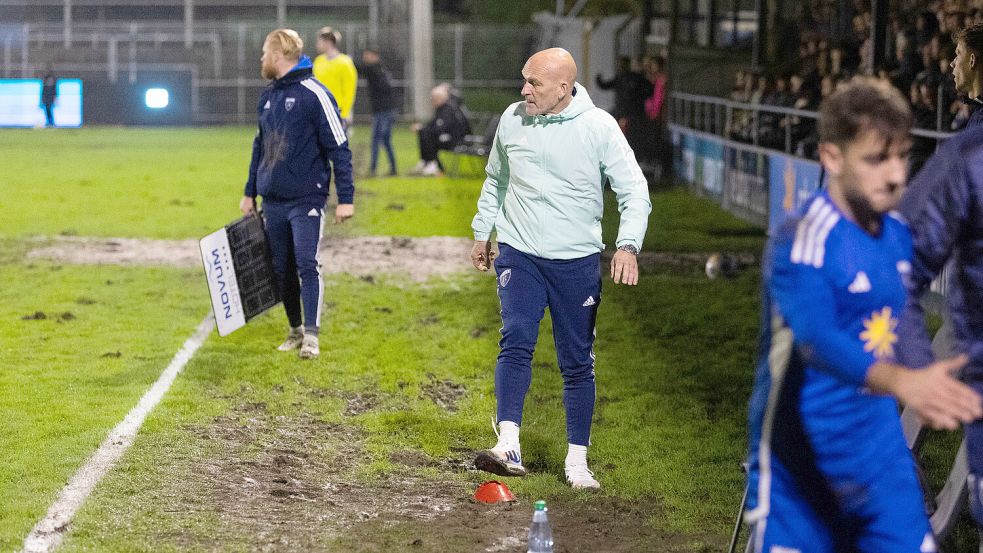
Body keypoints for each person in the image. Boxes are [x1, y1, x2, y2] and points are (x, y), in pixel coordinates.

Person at [744, 77, 982, 552]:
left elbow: (899, 316)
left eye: (902, 156)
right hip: (803, 457)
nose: (895, 175)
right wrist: (903, 383)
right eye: (876, 160)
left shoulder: (895, 234)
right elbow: (816, 339)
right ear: (832, 157)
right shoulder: (802, 237)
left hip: (878, 456)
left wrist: (925, 373)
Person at [470, 48, 652, 490]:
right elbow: (496, 178)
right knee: (516, 339)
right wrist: (483, 231)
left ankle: (576, 461)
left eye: (534, 83)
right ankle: (508, 444)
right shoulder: (513, 119)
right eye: (524, 79)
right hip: (520, 251)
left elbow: (634, 191)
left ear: (564, 88)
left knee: (576, 361)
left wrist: (627, 245)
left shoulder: (598, 127)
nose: (524, 89)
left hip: (576, 261)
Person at [897, 42, 983, 536]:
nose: (951, 63)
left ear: (975, 60)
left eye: (957, 54)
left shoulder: (967, 150)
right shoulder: (969, 137)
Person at [239, 28, 354, 360]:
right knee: (280, 268)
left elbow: (339, 147)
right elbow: (260, 146)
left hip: (307, 198)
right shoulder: (268, 95)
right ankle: (295, 329)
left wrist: (345, 198)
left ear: (277, 55)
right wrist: (250, 191)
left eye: (264, 53)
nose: (261, 59)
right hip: (272, 199)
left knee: (306, 263)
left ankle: (312, 337)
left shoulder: (314, 93)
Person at [411, 83, 470, 177]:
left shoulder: (448, 109)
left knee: (429, 137)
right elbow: (433, 124)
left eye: (433, 98)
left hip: (457, 140)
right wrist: (422, 128)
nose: (432, 101)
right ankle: (426, 161)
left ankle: (434, 164)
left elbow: (440, 128)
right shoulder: (441, 108)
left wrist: (423, 129)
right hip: (448, 137)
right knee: (424, 133)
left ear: (440, 98)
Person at [358, 46, 399, 177]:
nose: (365, 59)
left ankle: (377, 168)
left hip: (385, 111)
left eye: (367, 56)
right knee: (382, 139)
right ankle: (387, 168)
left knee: (379, 139)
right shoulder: (379, 69)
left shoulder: (374, 69)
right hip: (381, 111)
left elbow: (360, 68)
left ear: (375, 56)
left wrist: (345, 60)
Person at [313, 26, 358, 133]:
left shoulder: (345, 62)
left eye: (319, 41)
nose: (317, 44)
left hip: (337, 112)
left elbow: (349, 90)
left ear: (328, 42)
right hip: (320, 112)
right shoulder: (318, 61)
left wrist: (346, 114)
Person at [949, 22, 983, 129]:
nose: (952, 63)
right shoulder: (977, 114)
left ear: (972, 61)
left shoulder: (980, 124)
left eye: (958, 54)